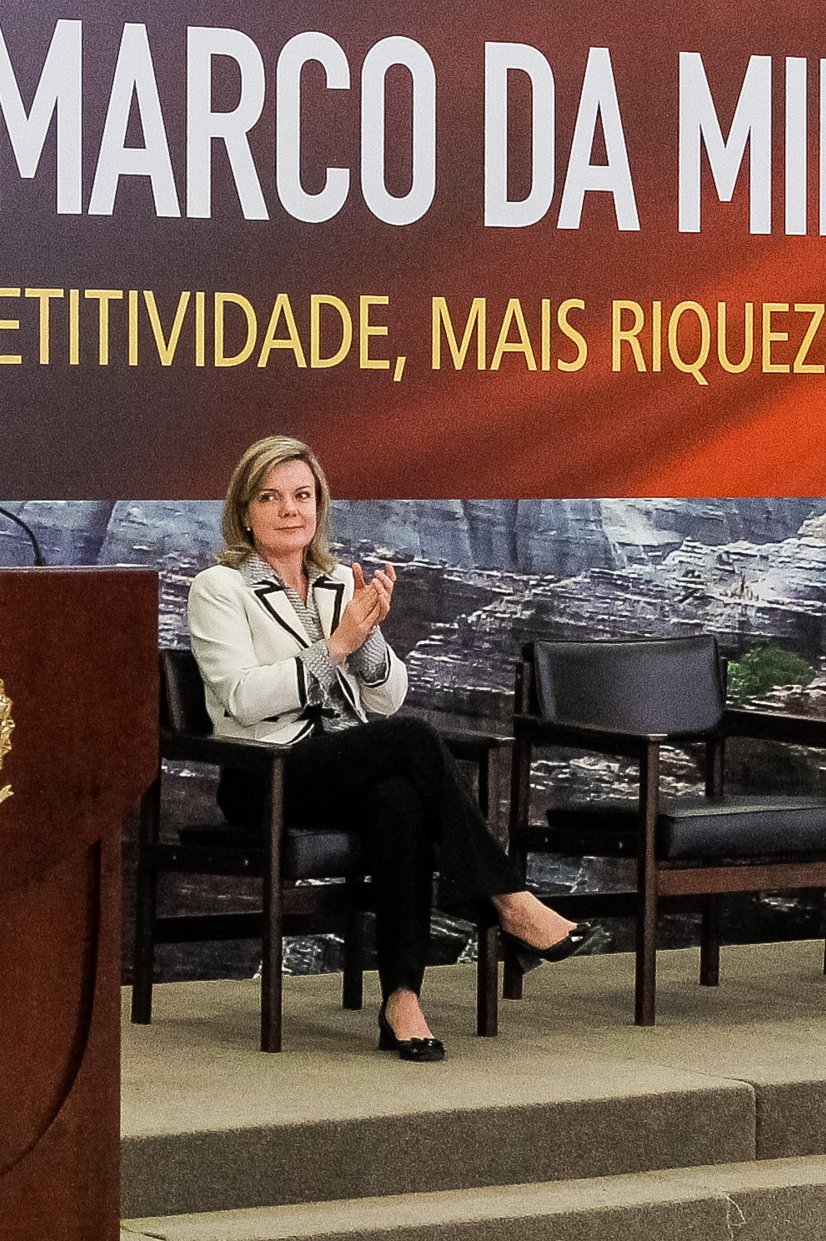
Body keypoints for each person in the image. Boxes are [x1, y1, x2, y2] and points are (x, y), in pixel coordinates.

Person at [185, 435, 581, 1062]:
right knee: (414, 740)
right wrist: (338, 645)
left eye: (303, 496)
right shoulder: (218, 588)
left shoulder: (339, 578)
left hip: (341, 763)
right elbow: (241, 698)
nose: (291, 510)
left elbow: (390, 694)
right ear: (245, 509)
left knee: (399, 798)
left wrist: (369, 642)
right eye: (272, 496)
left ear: (319, 506)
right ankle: (507, 899)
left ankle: (402, 998)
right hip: (267, 772)